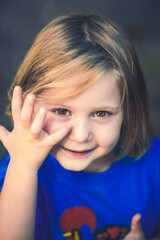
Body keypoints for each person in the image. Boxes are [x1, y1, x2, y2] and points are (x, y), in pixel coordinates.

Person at [0, 14, 159, 240]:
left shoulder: (153, 164)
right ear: (29, 103)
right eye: (62, 111)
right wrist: (23, 166)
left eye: (101, 113)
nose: (81, 135)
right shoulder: (20, 175)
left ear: (128, 109)